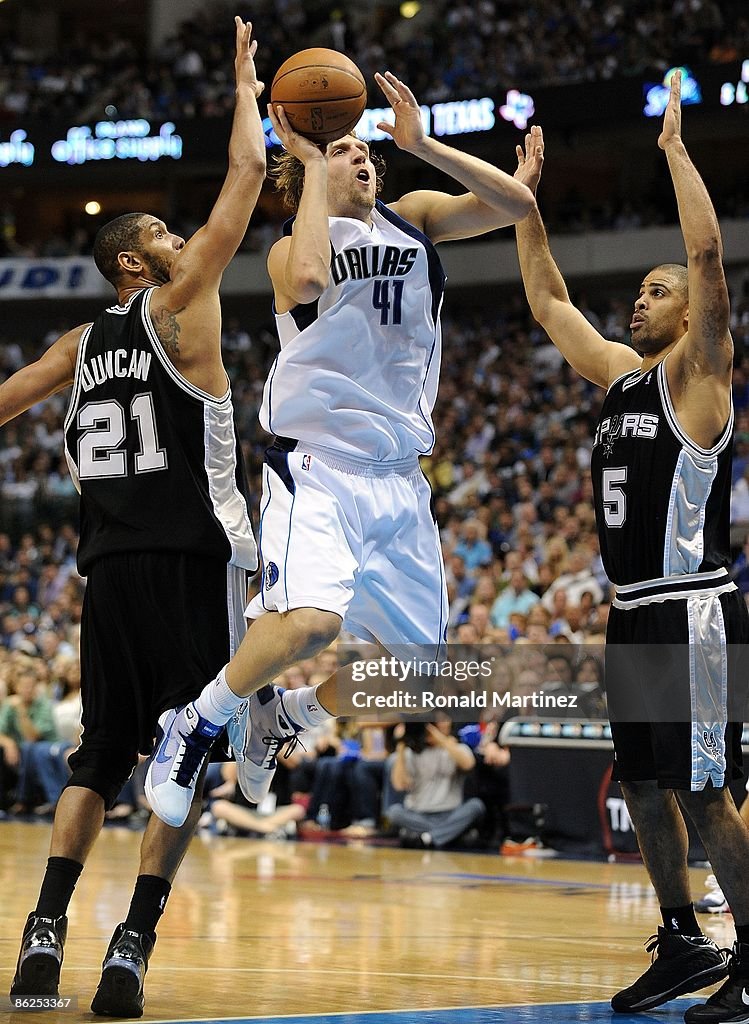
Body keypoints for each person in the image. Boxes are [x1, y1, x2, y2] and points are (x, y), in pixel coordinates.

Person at [146, 70, 534, 826]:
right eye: (343, 151)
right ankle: (195, 723)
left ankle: (283, 715)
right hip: (318, 463)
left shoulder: (414, 217)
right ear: (309, 173)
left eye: (365, 151)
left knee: (423, 685)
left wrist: (423, 144)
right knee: (315, 623)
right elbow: (315, 274)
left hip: (398, 478)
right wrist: (305, 164)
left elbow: (517, 204)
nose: (361, 158)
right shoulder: (290, 247)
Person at [2, 19, 265, 1017]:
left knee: (96, 758)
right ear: (132, 265)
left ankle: (42, 934)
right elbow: (244, 172)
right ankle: (128, 948)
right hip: (188, 559)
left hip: (105, 569)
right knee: (179, 758)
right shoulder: (182, 301)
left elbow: (6, 397)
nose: (174, 240)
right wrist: (242, 81)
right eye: (158, 236)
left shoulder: (74, 345)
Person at [513, 71, 749, 1022]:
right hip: (629, 612)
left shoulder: (700, 378)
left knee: (705, 798)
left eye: (658, 293)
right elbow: (546, 303)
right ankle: (684, 939)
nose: (639, 303)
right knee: (647, 791)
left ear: (690, 313)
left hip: (691, 610)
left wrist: (675, 155)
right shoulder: (618, 377)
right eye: (640, 293)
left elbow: (704, 253)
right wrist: (525, 207)